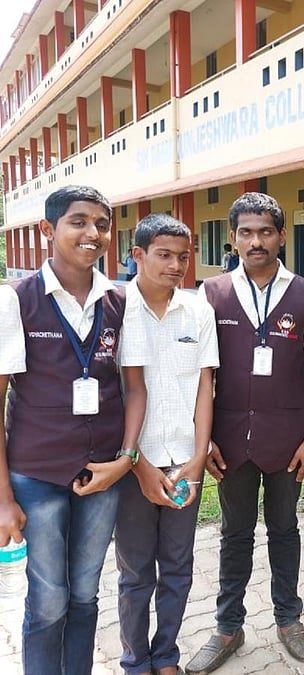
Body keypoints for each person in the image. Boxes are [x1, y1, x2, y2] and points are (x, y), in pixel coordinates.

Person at [185, 193, 304, 673]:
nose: (256, 241)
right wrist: (203, 439)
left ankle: (289, 619)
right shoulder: (211, 293)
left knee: (286, 530)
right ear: (233, 237)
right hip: (229, 441)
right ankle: (228, 626)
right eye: (246, 232)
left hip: (288, 441)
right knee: (233, 534)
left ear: (282, 236)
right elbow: (202, 374)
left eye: (266, 231)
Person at [0, 185, 147, 675]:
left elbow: (133, 388)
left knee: (85, 593)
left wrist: (124, 461)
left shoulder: (118, 301)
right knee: (48, 599)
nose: (93, 233)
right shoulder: (17, 301)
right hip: (35, 474)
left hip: (100, 475)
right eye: (78, 222)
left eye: (102, 224)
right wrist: (3, 499)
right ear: (48, 230)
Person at [115, 214, 219, 675]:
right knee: (136, 572)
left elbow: (204, 386)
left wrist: (197, 459)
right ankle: (136, 661)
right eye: (164, 255)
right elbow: (117, 391)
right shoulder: (113, 308)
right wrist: (135, 463)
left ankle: (167, 656)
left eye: (183, 256)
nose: (177, 265)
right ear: (137, 255)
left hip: (182, 462)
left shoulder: (198, 310)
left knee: (177, 566)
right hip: (132, 466)